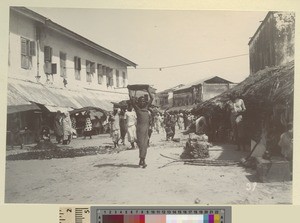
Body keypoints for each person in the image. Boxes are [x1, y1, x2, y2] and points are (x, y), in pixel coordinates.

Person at [129, 87, 153, 168]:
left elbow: (152, 98)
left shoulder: (146, 108)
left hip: (146, 129)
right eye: (140, 101)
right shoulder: (137, 109)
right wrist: (129, 90)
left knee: (145, 145)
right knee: (142, 144)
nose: (142, 102)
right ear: (138, 102)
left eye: (143, 101)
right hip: (140, 129)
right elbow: (131, 100)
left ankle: (141, 160)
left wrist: (148, 90)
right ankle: (143, 160)